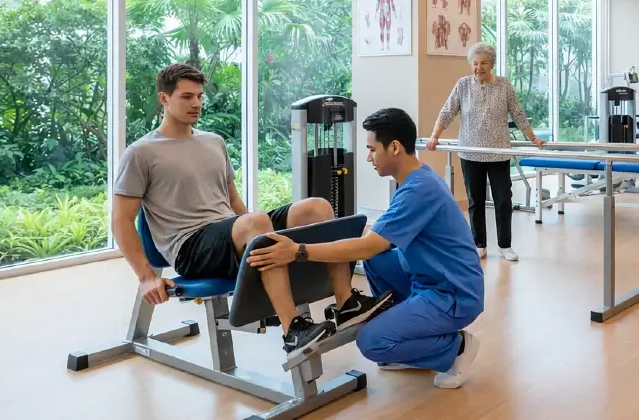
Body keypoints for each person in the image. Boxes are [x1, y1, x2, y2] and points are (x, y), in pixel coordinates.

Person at [111, 63, 394, 360]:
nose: (196, 103)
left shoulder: (213, 141)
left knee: (317, 207)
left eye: (199, 96)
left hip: (231, 231)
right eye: (186, 97)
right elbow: (121, 220)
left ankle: (346, 302)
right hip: (191, 246)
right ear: (164, 99)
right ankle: (293, 329)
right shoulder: (141, 153)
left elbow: (233, 200)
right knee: (256, 222)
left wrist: (254, 233)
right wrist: (146, 277)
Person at [245, 107, 486, 389]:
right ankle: (409, 332)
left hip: (454, 295)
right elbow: (375, 241)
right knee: (378, 260)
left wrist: (299, 250)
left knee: (372, 342)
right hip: (430, 279)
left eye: (372, 149)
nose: (368, 156)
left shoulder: (419, 190)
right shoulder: (415, 179)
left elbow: (368, 245)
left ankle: (456, 348)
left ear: (394, 147)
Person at [426, 42, 545, 261]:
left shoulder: (504, 85)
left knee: (503, 200)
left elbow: (518, 114)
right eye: (475, 63)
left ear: (492, 64)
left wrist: (533, 138)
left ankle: (505, 245)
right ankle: (479, 244)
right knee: (475, 200)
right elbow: (447, 112)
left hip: (498, 152)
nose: (478, 67)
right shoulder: (463, 85)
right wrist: (435, 136)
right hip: (470, 152)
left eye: (483, 63)